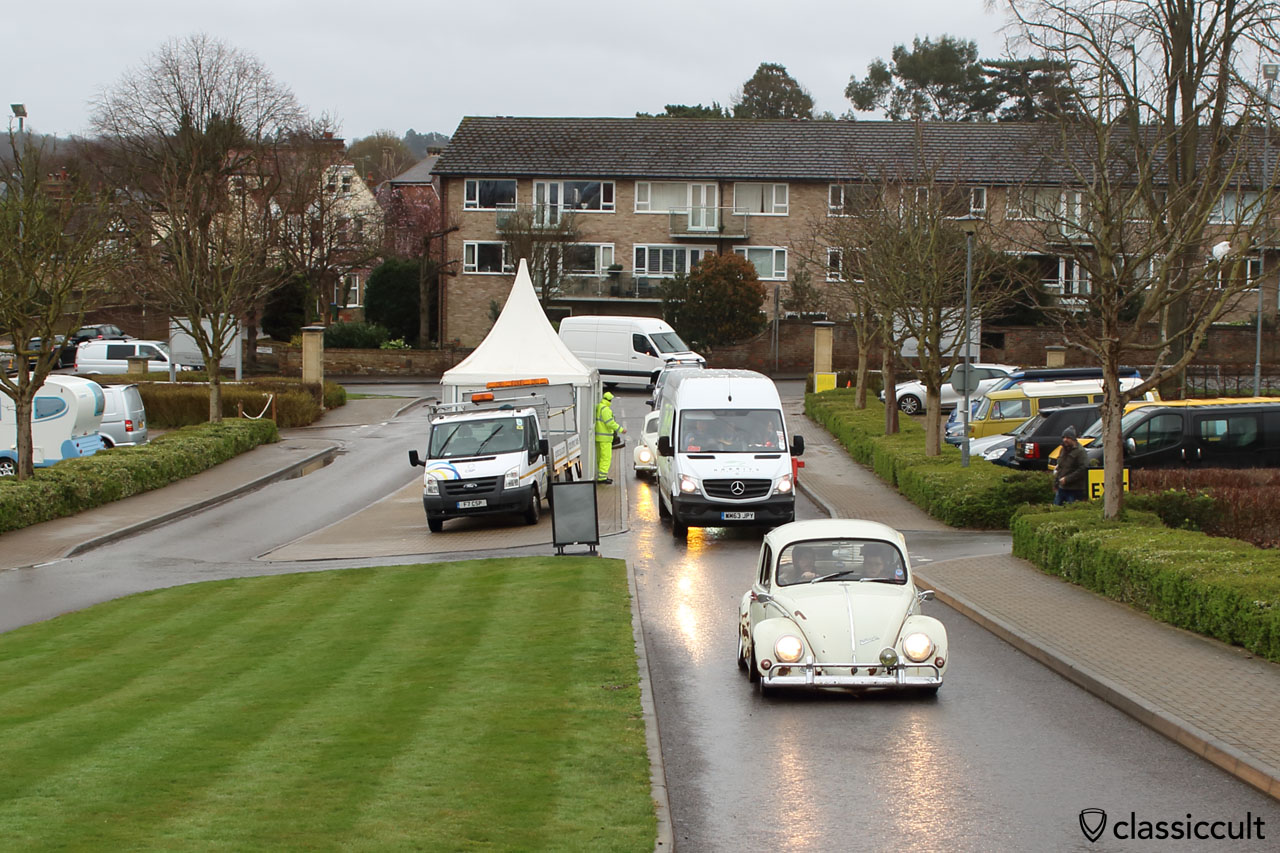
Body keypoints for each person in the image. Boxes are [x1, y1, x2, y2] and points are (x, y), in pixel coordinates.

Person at [594, 391, 626, 483]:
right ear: (609, 400)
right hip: (605, 438)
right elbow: (610, 423)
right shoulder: (606, 410)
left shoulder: (598, 407)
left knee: (600, 457)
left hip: (598, 437)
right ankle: (602, 477)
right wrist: (621, 429)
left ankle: (600, 475)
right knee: (606, 458)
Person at [1054, 425, 1089, 505]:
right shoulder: (1063, 449)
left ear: (1073, 439)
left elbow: (1083, 468)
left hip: (1075, 489)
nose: (1065, 440)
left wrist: (1067, 479)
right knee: (1056, 509)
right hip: (1061, 488)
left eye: (1068, 437)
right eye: (1063, 437)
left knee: (1071, 509)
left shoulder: (1080, 451)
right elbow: (1061, 465)